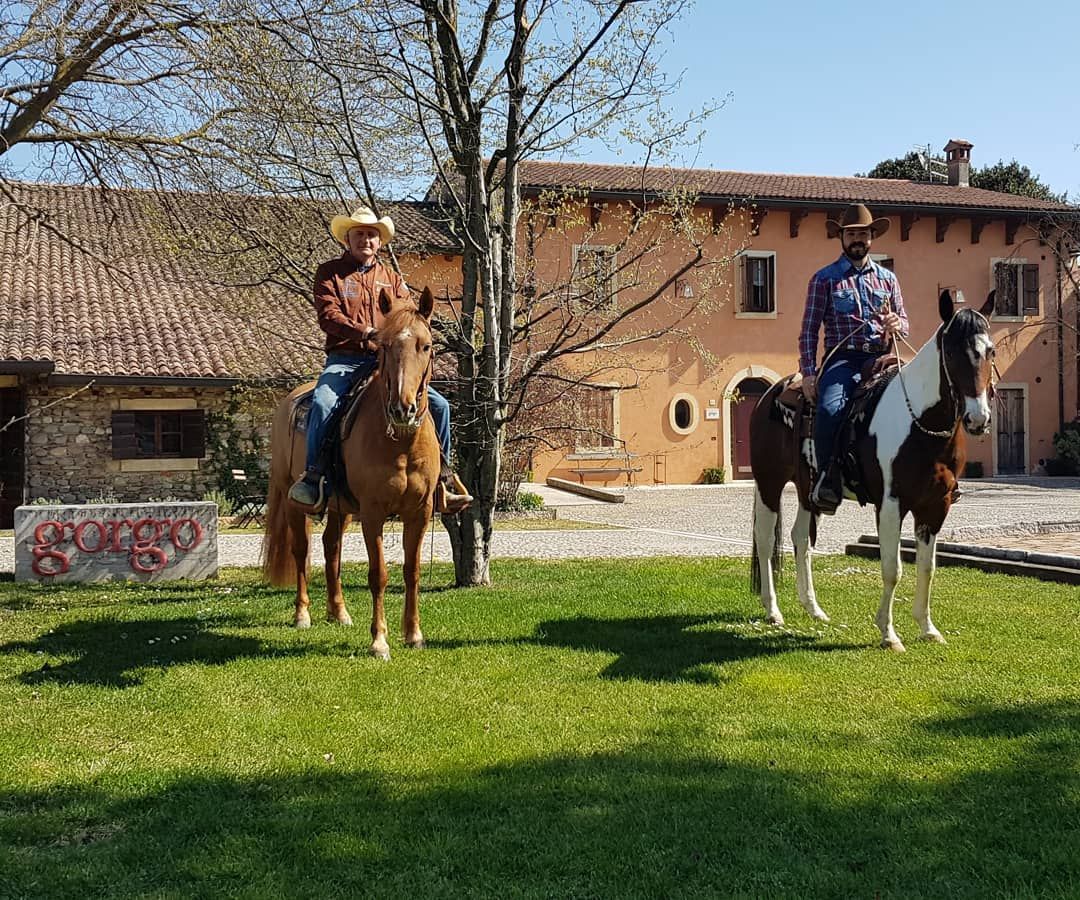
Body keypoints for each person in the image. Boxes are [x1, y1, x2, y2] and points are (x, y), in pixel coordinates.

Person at [288, 207, 473, 514]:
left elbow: (409, 319)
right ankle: (314, 475)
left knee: (440, 406)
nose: (366, 240)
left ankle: (443, 480)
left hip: (386, 361)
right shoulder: (330, 273)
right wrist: (366, 333)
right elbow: (328, 316)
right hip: (345, 358)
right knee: (322, 402)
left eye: (372, 235)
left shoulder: (393, 279)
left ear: (380, 242)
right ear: (348, 239)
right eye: (359, 233)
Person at [798, 203, 908, 514]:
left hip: (883, 357)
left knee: (919, 400)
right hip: (842, 360)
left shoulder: (888, 279)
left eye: (863, 233)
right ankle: (827, 480)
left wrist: (897, 324)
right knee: (830, 409)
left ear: (873, 237)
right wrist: (808, 373)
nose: (857, 239)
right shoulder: (824, 279)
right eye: (851, 234)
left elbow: (905, 322)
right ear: (842, 238)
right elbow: (808, 331)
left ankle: (932, 476)